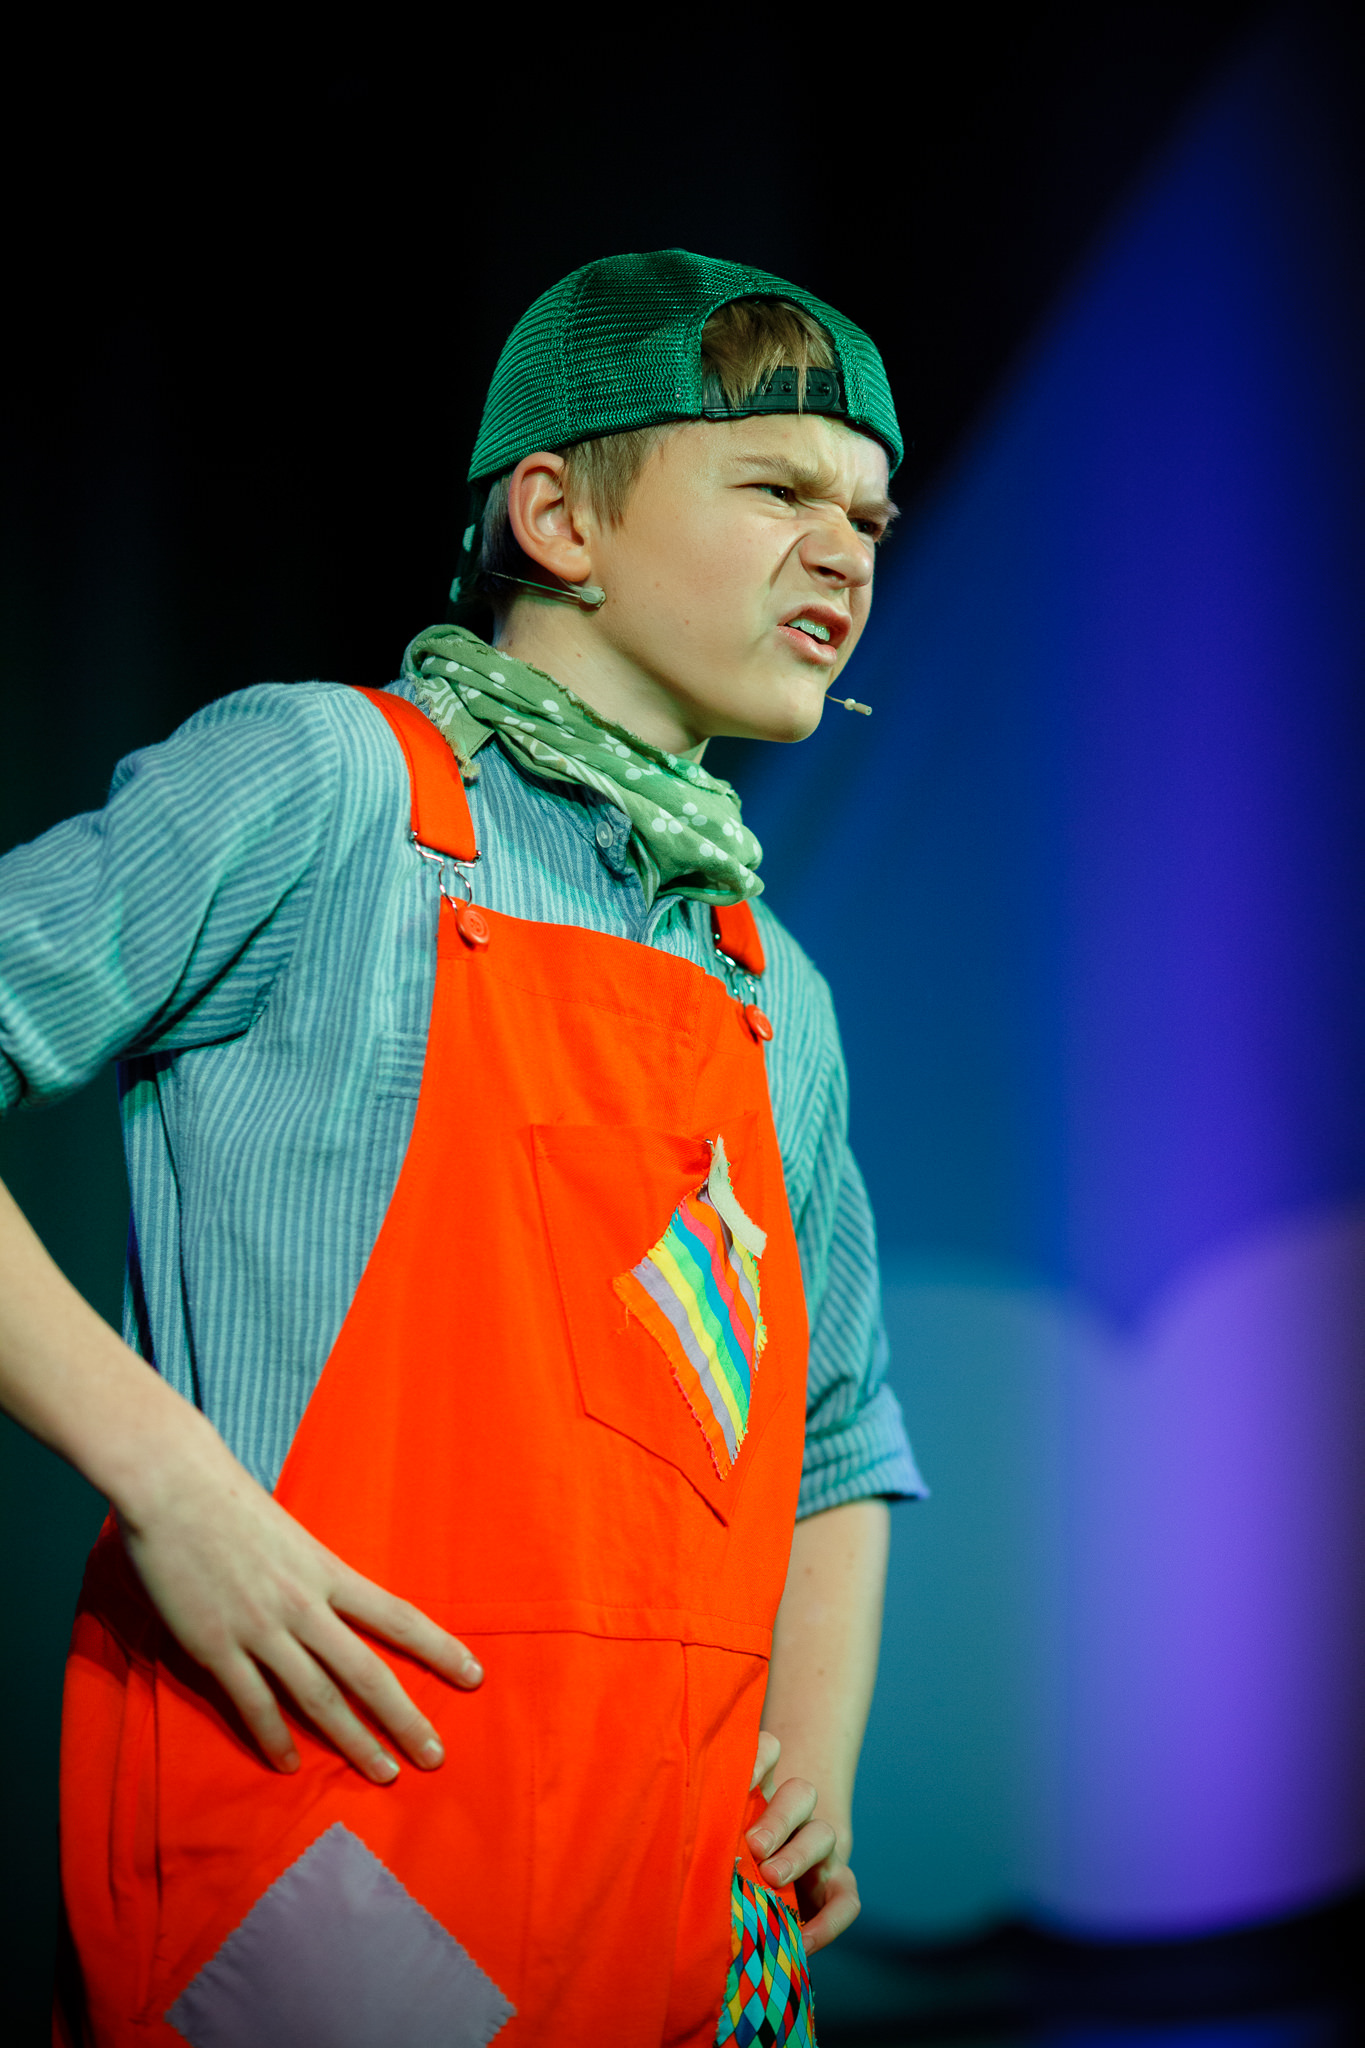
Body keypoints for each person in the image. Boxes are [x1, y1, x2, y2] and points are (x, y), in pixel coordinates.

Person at [0, 250, 925, 2048]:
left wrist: (806, 1764)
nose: (845, 554)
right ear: (558, 518)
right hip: (341, 1858)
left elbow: (837, 1432)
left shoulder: (770, 984)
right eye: (777, 489)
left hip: (676, 1905)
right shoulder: (328, 786)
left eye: (870, 518)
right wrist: (174, 1485)